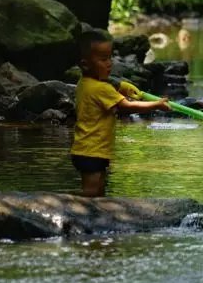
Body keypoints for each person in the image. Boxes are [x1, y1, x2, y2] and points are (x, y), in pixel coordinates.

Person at [71, 29, 171, 197]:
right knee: (91, 192)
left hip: (89, 150)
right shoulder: (100, 89)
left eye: (110, 57)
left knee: (99, 191)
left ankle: (90, 215)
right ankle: (67, 206)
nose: (109, 63)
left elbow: (108, 84)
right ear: (85, 64)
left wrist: (122, 86)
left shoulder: (85, 82)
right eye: (103, 59)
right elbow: (127, 106)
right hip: (91, 151)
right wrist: (156, 104)